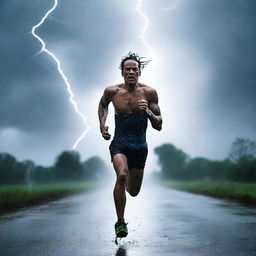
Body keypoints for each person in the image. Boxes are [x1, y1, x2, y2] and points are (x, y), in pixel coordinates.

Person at [98, 52, 162, 238]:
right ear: (122, 73)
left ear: (139, 72)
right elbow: (103, 105)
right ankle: (120, 222)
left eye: (135, 69)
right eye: (128, 69)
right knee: (122, 175)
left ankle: (124, 187)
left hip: (140, 147)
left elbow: (158, 125)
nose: (131, 72)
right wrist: (102, 125)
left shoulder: (150, 93)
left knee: (133, 191)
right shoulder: (113, 91)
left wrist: (148, 112)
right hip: (119, 144)